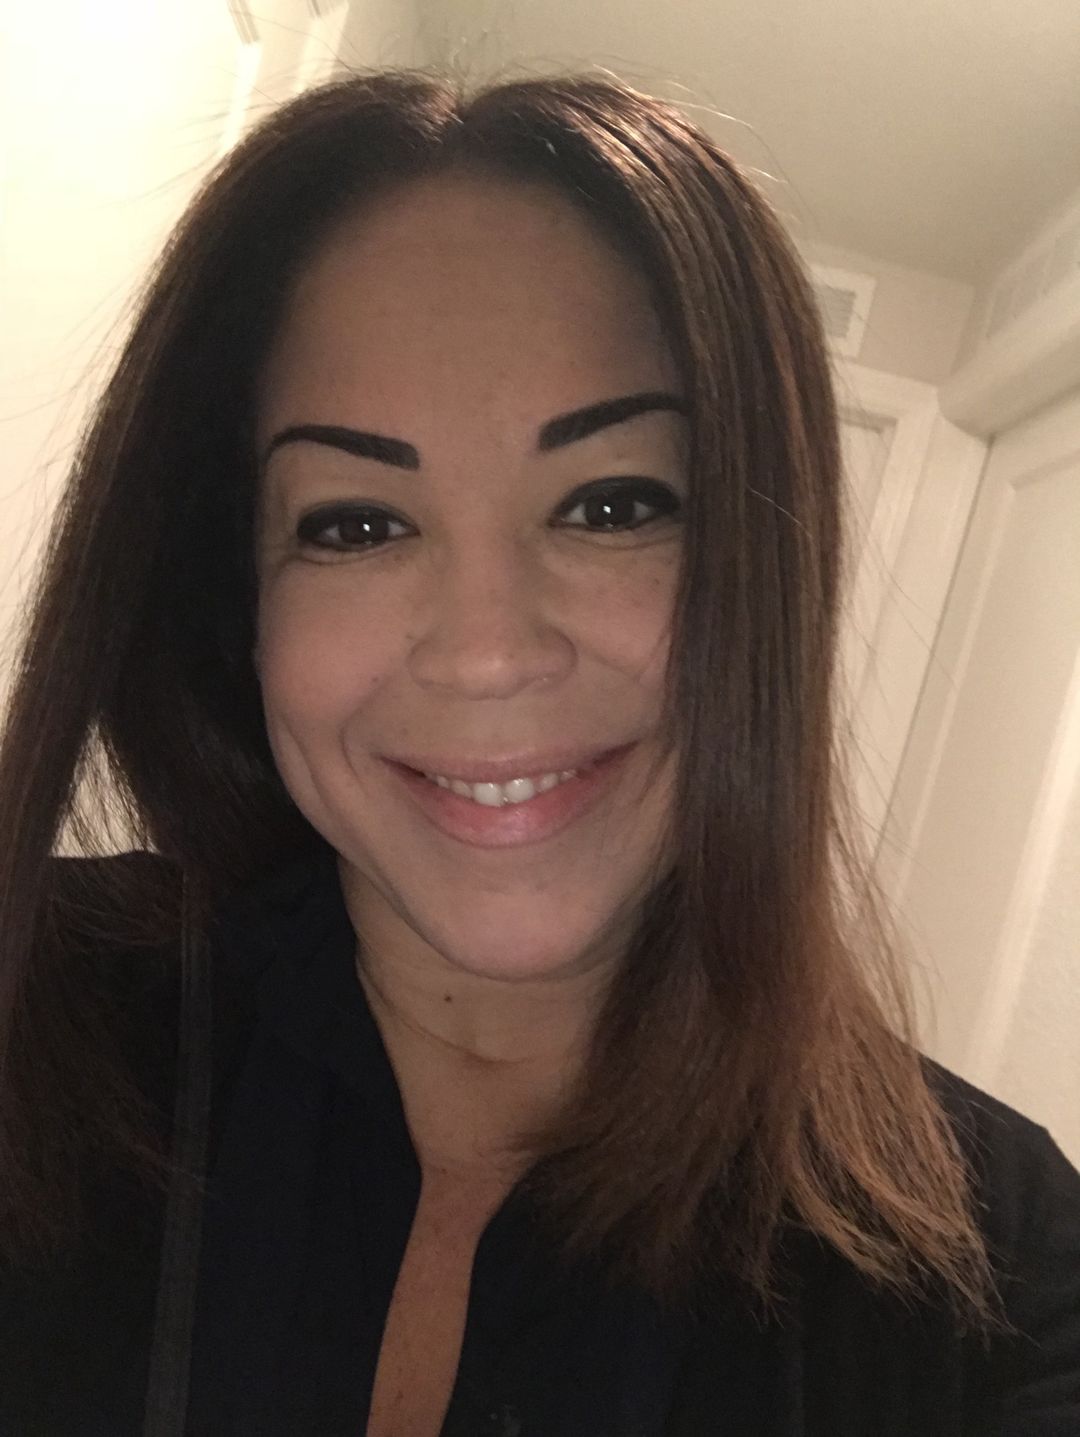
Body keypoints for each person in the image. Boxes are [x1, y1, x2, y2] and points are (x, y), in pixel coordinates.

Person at [0, 68, 1077, 1437]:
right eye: (355, 524)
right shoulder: (34, 1006)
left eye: (612, 504)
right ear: (239, 604)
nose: (488, 651)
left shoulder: (999, 1272)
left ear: (762, 566)